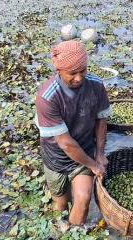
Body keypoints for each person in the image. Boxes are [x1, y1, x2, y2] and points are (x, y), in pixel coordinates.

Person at [35, 40, 110, 225]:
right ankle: (59, 229)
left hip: (84, 150)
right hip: (56, 157)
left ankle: (75, 234)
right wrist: (94, 165)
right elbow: (66, 143)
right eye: (72, 73)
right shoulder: (47, 97)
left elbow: (101, 120)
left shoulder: (96, 85)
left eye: (82, 71)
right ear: (58, 71)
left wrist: (99, 154)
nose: (79, 78)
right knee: (61, 203)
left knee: (83, 199)